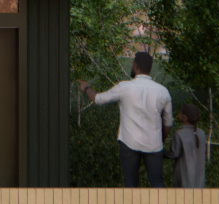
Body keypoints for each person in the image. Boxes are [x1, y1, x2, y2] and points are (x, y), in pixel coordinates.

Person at [80, 50, 173, 190]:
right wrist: (160, 140)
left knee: (130, 183)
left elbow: (98, 99)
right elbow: (168, 123)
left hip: (129, 144)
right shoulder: (163, 91)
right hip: (154, 146)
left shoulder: (124, 87)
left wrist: (86, 88)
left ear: (136, 67)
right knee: (157, 182)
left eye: (132, 63)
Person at [168, 101, 209, 190]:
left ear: (184, 117)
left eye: (179, 112)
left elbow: (174, 154)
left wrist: (161, 153)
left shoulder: (178, 134)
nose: (178, 114)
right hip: (199, 181)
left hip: (183, 178)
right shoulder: (201, 133)